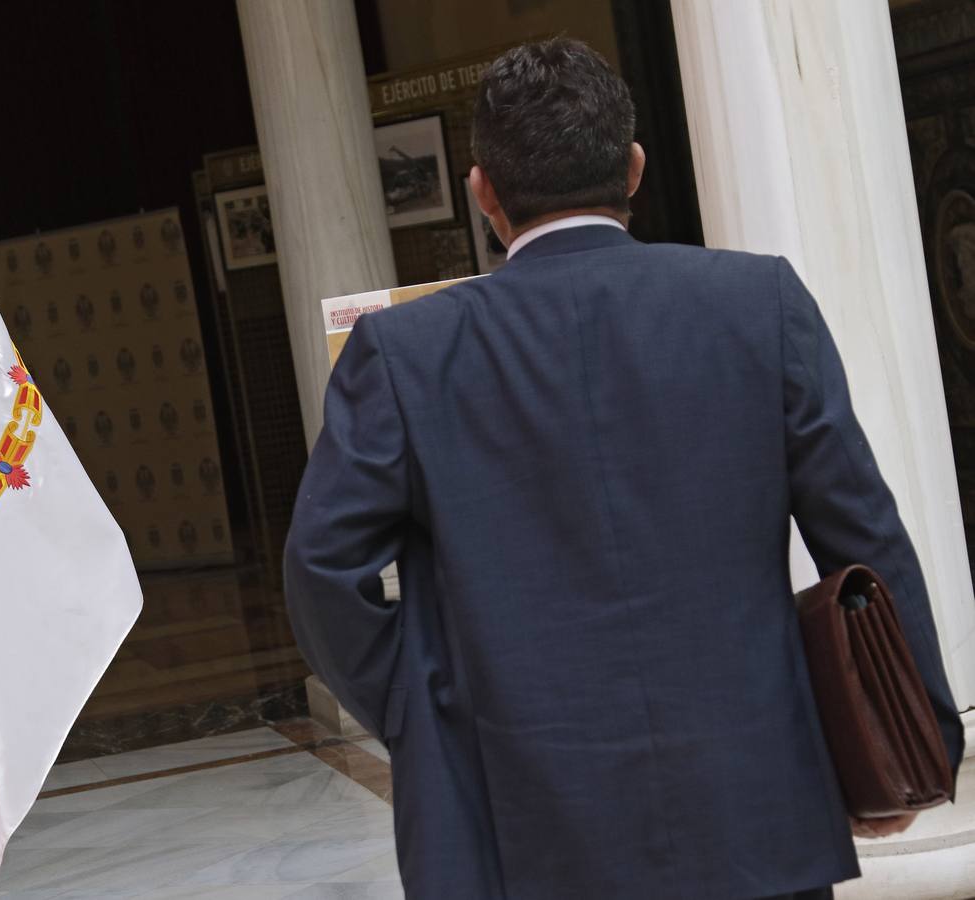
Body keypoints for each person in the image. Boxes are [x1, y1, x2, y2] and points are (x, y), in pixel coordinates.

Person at [283, 37, 964, 900]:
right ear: (634, 169)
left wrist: (429, 712)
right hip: (755, 802)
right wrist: (921, 736)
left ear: (481, 189)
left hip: (511, 819)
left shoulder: (403, 353)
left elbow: (319, 572)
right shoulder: (761, 303)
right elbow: (865, 534)